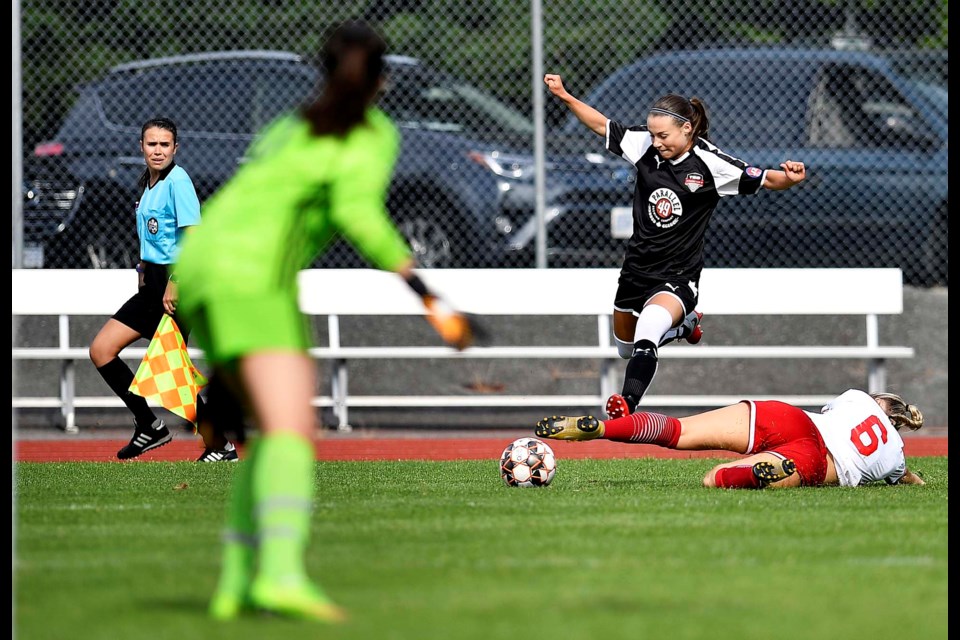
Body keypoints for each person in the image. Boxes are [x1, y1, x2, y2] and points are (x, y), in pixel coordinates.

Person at [174, 20, 478, 622]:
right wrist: (427, 294)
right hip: (252, 278)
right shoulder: (370, 132)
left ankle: (236, 582)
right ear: (383, 82)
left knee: (261, 432)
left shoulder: (291, 123)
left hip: (201, 269)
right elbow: (358, 213)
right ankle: (281, 576)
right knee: (290, 428)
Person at [543, 74, 807, 421]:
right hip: (635, 271)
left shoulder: (711, 164)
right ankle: (683, 327)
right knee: (626, 348)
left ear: (686, 129)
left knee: (649, 330)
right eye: (652, 134)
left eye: (663, 135)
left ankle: (628, 403)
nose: (656, 142)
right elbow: (601, 125)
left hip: (678, 275)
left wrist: (790, 177)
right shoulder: (645, 146)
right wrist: (565, 95)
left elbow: (767, 179)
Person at [88, 116, 237, 462]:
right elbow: (154, 236)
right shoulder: (149, 183)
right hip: (152, 285)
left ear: (175, 148)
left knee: (172, 376)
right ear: (141, 147)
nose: (157, 150)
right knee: (102, 350)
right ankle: (148, 425)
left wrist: (176, 282)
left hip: (175, 285)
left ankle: (221, 446)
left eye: (164, 144)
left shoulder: (178, 180)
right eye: (151, 144)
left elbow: (194, 238)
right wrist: (142, 268)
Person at [535, 388, 927, 489]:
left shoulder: (857, 399)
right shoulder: (895, 456)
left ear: (878, 404)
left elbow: (828, 414)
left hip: (788, 417)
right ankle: (755, 473)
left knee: (680, 430)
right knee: (713, 477)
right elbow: (906, 476)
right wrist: (912, 478)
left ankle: (604, 428)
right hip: (818, 460)